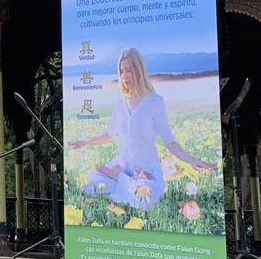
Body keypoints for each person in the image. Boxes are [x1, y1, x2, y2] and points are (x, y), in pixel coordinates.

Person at [71, 46, 216, 211]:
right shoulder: (120, 104)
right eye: (122, 71)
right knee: (89, 186)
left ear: (139, 71)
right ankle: (122, 178)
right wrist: (84, 142)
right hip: (123, 165)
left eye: (129, 70)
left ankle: (118, 177)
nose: (124, 76)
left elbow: (171, 143)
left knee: (144, 200)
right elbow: (109, 135)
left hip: (147, 171)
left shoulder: (154, 103)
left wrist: (193, 160)